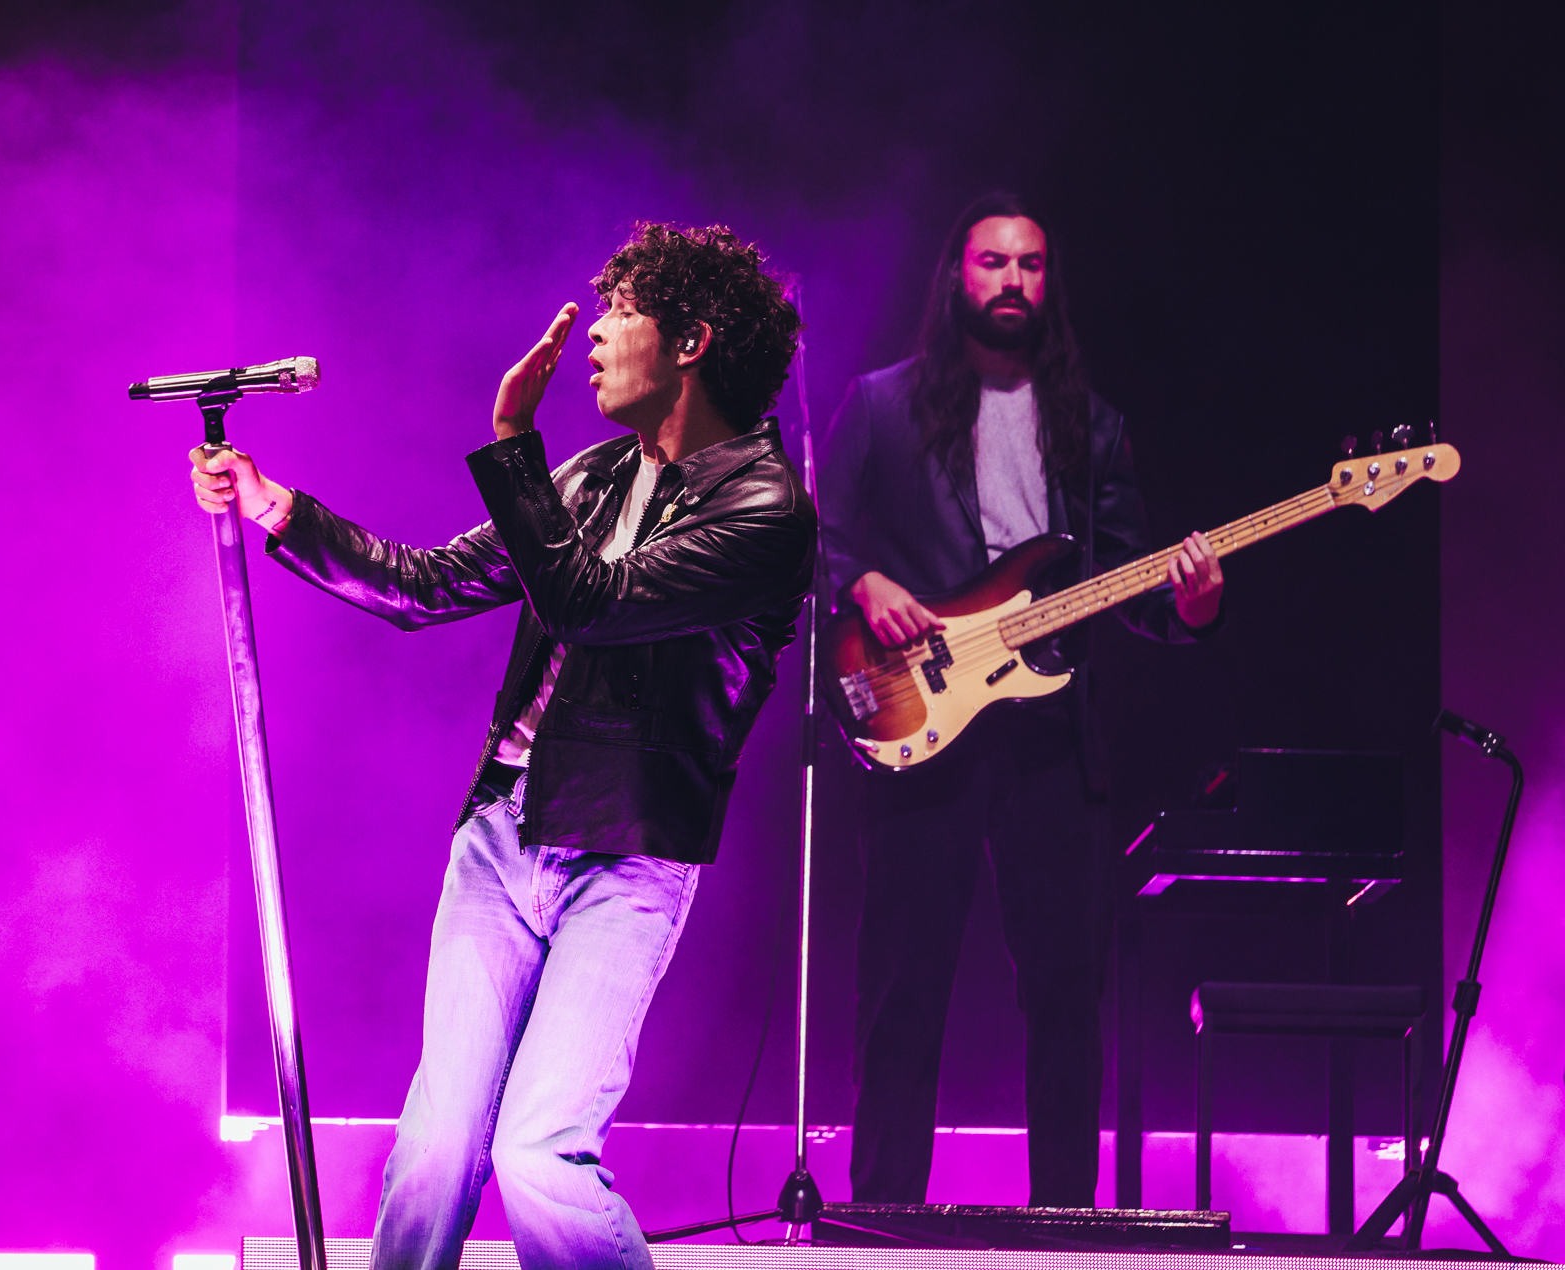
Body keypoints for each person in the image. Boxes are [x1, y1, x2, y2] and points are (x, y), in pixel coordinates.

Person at [190, 223, 814, 1268]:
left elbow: (589, 603)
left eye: (621, 311)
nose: (597, 334)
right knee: (434, 1152)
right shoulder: (594, 478)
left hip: (626, 855)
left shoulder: (763, 510)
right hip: (501, 839)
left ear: (693, 341)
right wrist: (275, 508)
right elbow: (423, 584)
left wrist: (511, 435)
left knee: (538, 1151)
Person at [818, 193, 1225, 1208]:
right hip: (921, 716)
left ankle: (1063, 1221)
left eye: (1030, 266)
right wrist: (860, 584)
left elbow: (1130, 585)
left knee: (1063, 993)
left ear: (1048, 284)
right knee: (903, 988)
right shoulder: (878, 403)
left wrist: (1191, 607)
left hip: (1051, 736)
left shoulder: (1093, 427)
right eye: (992, 262)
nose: (1010, 281)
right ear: (956, 278)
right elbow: (805, 540)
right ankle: (880, 1215)